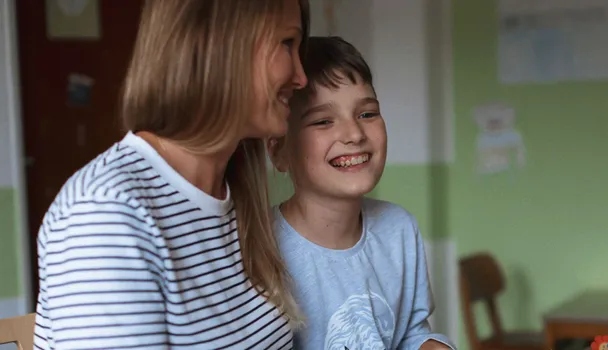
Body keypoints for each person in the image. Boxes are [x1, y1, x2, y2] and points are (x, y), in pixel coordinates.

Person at [33, 0, 308, 349]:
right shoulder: (105, 214)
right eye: (287, 43)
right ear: (219, 42)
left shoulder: (233, 194)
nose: (301, 77)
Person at [267, 36, 456, 350]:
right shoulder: (262, 246)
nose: (354, 134)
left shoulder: (399, 230)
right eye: (323, 121)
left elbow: (411, 332)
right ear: (279, 151)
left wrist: (431, 344)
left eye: (367, 114)